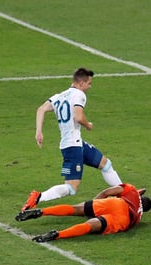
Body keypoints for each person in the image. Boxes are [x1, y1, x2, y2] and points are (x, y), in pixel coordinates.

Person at [21, 68, 123, 212]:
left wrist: (39, 131)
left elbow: (41, 109)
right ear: (81, 83)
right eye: (89, 83)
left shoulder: (59, 96)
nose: (90, 86)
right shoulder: (79, 95)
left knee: (105, 164)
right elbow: (79, 117)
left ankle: (125, 195)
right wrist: (88, 125)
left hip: (75, 143)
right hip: (72, 147)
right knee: (71, 188)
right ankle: (38, 197)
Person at [15, 183, 151, 242]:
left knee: (75, 209)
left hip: (117, 204)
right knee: (90, 225)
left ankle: (41, 211)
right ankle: (57, 235)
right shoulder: (139, 215)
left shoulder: (132, 191)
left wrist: (94, 204)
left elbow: (107, 192)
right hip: (124, 220)